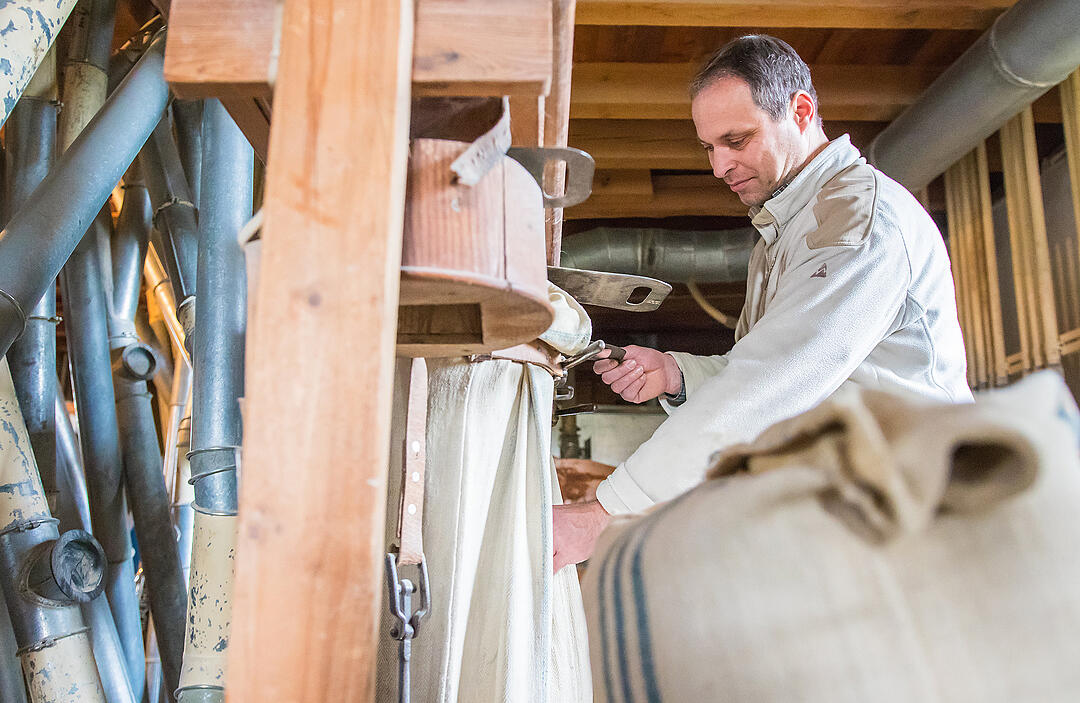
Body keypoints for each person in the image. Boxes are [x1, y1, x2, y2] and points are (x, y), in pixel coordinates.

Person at [552, 34, 973, 572]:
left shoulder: (857, 222)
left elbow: (772, 386)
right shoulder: (785, 229)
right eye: (710, 147)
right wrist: (676, 374)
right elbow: (767, 370)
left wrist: (604, 512)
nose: (720, 166)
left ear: (800, 111)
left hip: (912, 523)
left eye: (737, 139)